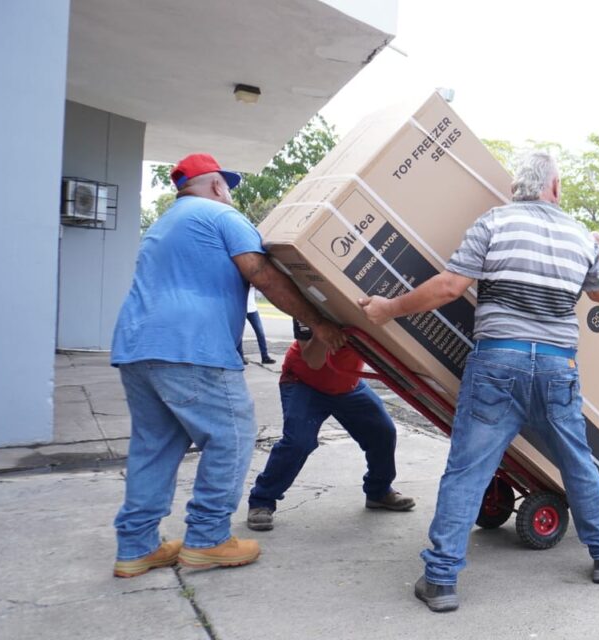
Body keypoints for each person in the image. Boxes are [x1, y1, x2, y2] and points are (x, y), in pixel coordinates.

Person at [358, 151, 599, 613]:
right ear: (554, 188)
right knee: (577, 463)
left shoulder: (493, 223)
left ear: (516, 187)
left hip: (499, 362)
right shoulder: (579, 235)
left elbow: (448, 289)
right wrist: (595, 252)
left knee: (468, 469)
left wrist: (387, 309)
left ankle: (440, 581)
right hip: (558, 366)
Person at [110, 153, 345, 578]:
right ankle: (208, 539)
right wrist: (320, 323)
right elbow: (264, 276)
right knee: (231, 436)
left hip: (137, 347)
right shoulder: (222, 216)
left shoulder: (164, 226)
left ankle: (136, 546)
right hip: (192, 347)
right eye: (229, 187)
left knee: (154, 446)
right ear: (218, 185)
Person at [245, 320, 415, 531]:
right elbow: (313, 361)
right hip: (304, 381)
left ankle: (378, 492)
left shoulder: (370, 305)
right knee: (298, 442)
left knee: (383, 432)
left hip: (347, 382)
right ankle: (262, 500)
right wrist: (322, 330)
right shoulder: (307, 308)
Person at [241, 287, 275, 365]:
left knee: (260, 332)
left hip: (252, 309)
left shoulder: (252, 279)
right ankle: (240, 357)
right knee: (240, 334)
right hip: (241, 309)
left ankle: (265, 357)